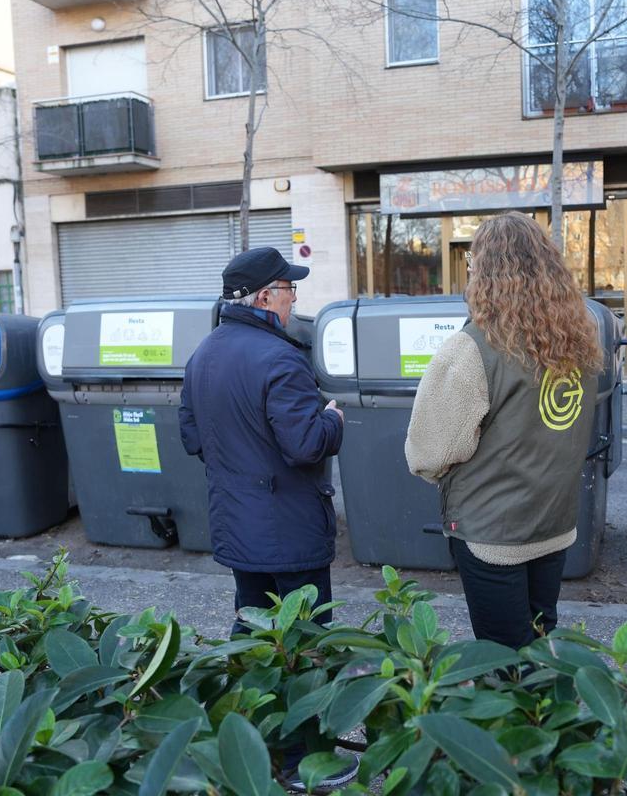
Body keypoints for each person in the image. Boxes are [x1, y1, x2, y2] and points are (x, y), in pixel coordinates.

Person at [178, 246, 356, 789]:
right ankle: (302, 762)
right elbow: (305, 445)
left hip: (237, 522)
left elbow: (192, 438)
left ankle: (251, 747)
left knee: (255, 637)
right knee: (304, 644)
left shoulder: (204, 354)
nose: (294, 298)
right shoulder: (280, 358)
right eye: (288, 289)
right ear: (263, 297)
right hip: (290, 529)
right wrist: (332, 420)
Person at [405, 212, 603, 650]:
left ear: (483, 273)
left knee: (501, 658)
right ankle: (553, 717)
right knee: (540, 641)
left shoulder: (472, 347)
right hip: (553, 524)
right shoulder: (577, 340)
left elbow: (428, 451)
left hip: (492, 532)